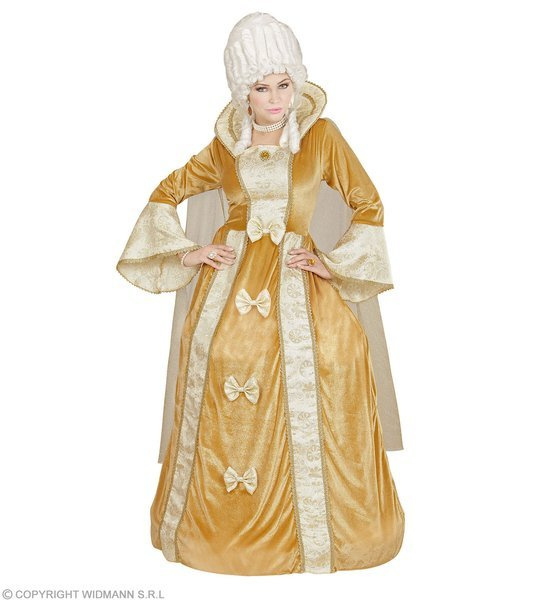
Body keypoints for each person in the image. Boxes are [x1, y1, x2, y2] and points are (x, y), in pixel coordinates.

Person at [116, 11, 405, 575]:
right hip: (230, 286)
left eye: (283, 84)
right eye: (261, 87)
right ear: (241, 91)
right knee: (222, 362)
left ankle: (324, 534)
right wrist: (191, 253)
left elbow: (369, 202)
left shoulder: (321, 136)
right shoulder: (224, 147)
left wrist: (331, 263)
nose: (276, 99)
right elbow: (167, 190)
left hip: (300, 280)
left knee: (335, 361)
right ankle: (219, 529)